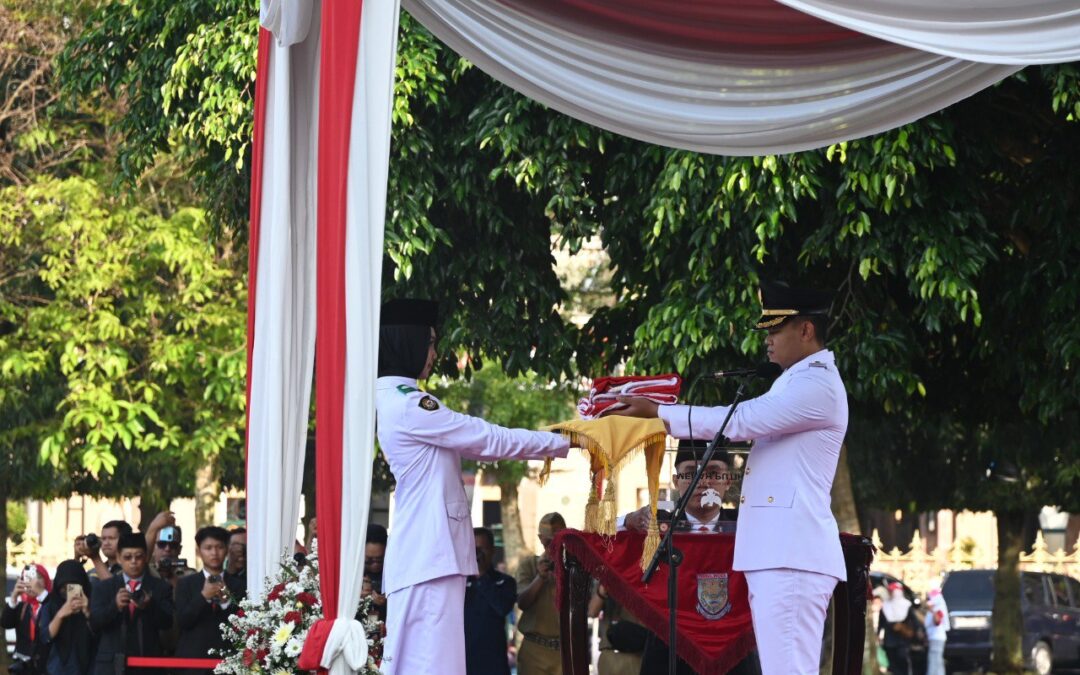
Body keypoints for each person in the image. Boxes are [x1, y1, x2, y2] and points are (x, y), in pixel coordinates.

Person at [610, 280, 847, 675]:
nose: (767, 339)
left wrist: (660, 412)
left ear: (806, 330)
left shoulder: (817, 383)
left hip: (791, 553)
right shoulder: (794, 381)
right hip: (779, 553)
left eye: (775, 330)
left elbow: (740, 421)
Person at [375, 298, 570, 675]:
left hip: (427, 554)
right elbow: (487, 439)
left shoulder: (396, 398)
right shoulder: (410, 404)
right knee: (432, 666)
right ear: (408, 342)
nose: (434, 354)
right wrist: (563, 441)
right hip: (428, 555)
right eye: (430, 343)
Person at [90, 532, 175, 675]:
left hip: (148, 664)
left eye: (139, 557)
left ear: (146, 557)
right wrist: (115, 606)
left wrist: (149, 606)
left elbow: (167, 622)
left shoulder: (160, 586)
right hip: (111, 666)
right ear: (118, 558)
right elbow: (94, 623)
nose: (133, 562)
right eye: (127, 557)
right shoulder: (104, 587)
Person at [174, 526, 245, 675]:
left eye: (219, 547)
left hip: (228, 662)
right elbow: (182, 621)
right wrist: (203, 596)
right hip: (192, 663)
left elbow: (243, 625)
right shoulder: (185, 584)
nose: (214, 553)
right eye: (208, 548)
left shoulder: (239, 585)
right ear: (198, 551)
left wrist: (226, 602)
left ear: (227, 550)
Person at [515, 513, 566, 675]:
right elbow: (522, 602)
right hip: (534, 649)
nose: (553, 546)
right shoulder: (529, 565)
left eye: (557, 541)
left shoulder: (572, 567)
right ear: (540, 538)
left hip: (564, 650)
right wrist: (540, 578)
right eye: (549, 541)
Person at [464, 528, 517, 675]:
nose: (478, 554)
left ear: (493, 550)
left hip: (494, 663)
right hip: (465, 662)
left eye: (482, 549)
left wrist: (481, 575)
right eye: (474, 549)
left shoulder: (505, 581)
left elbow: (502, 608)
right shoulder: (460, 583)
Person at [37, 560, 96, 675]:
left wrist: (87, 611)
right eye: (64, 587)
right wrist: (60, 614)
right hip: (58, 667)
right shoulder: (51, 605)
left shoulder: (93, 602)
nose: (69, 592)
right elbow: (45, 637)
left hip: (90, 666)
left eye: (73, 586)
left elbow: (100, 633)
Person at [3, 563, 52, 673]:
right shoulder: (22, 606)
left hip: (45, 666)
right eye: (28, 578)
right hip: (23, 666)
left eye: (38, 578)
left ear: (46, 581)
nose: (32, 583)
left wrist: (40, 592)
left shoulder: (50, 604)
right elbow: (5, 623)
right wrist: (14, 597)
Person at [878, 583, 918, 675]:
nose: (891, 593)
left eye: (893, 591)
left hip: (903, 641)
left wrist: (910, 632)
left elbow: (915, 623)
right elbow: (881, 624)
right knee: (893, 666)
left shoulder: (907, 605)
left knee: (903, 664)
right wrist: (878, 636)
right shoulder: (885, 606)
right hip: (889, 642)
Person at [364, 524, 388, 622]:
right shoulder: (354, 574)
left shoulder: (394, 573)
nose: (375, 565)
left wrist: (387, 602)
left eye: (379, 560)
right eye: (369, 561)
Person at [924, 588, 949, 675]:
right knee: (937, 660)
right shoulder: (936, 608)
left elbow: (937, 622)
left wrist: (932, 610)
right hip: (934, 637)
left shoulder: (938, 609)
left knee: (934, 660)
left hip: (937, 638)